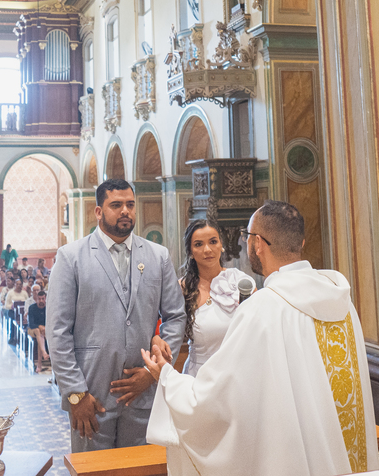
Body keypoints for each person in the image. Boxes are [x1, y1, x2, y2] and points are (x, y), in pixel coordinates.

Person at [141, 201, 376, 476]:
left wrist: (167, 378)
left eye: (248, 236)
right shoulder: (340, 299)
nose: (245, 242)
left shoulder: (263, 308)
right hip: (338, 446)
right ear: (300, 242)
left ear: (258, 244)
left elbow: (218, 393)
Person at [47, 178, 185, 453]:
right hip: (91, 393)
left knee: (141, 468)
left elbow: (176, 316)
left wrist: (152, 371)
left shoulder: (158, 256)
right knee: (95, 470)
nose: (125, 211)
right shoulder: (71, 257)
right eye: (116, 205)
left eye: (130, 205)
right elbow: (58, 331)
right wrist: (75, 393)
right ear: (99, 211)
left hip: (142, 393)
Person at [177, 219, 250, 377]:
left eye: (213, 242)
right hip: (199, 374)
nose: (207, 249)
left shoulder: (241, 281)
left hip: (237, 373)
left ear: (221, 244)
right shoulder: (182, 288)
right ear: (190, 252)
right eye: (198, 244)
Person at [28, 290, 49, 371]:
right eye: (39, 299)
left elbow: (50, 321)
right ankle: (44, 353)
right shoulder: (32, 308)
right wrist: (40, 327)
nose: (41, 301)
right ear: (36, 299)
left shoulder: (48, 308)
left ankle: (40, 363)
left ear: (45, 299)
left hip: (44, 330)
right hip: (32, 329)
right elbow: (31, 324)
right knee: (37, 331)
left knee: (40, 335)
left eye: (42, 299)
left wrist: (44, 328)